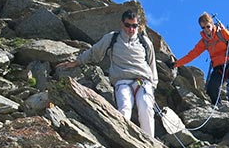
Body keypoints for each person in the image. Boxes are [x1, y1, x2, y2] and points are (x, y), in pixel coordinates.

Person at [58, 9, 158, 138]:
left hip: (144, 82)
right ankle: (124, 140)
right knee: (124, 108)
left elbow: (152, 65)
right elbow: (95, 52)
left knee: (146, 108)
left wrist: (153, 86)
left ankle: (150, 143)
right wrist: (76, 62)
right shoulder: (112, 38)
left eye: (134, 26)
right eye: (128, 25)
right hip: (122, 81)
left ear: (138, 26)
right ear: (122, 24)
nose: (131, 29)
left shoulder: (145, 42)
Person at [169, 12, 229, 122]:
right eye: (203, 27)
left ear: (212, 24)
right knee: (211, 88)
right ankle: (220, 108)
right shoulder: (204, 41)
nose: (206, 30)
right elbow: (192, 54)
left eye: (208, 26)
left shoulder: (222, 33)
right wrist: (176, 64)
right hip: (218, 67)